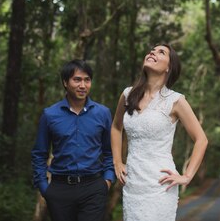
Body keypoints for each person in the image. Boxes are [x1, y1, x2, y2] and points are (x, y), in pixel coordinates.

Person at [111, 44, 208, 221]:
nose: (152, 52)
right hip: (133, 184)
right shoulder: (127, 95)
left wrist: (186, 177)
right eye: (151, 50)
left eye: (160, 52)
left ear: (169, 67)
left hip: (160, 185)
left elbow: (201, 139)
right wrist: (117, 162)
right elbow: (116, 128)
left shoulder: (175, 100)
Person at [31, 59, 115, 221]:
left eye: (87, 80)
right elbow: (39, 154)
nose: (82, 85)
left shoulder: (103, 113)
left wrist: (107, 181)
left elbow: (109, 151)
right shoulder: (50, 115)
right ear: (65, 82)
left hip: (94, 187)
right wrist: (44, 187)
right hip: (60, 189)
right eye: (77, 80)